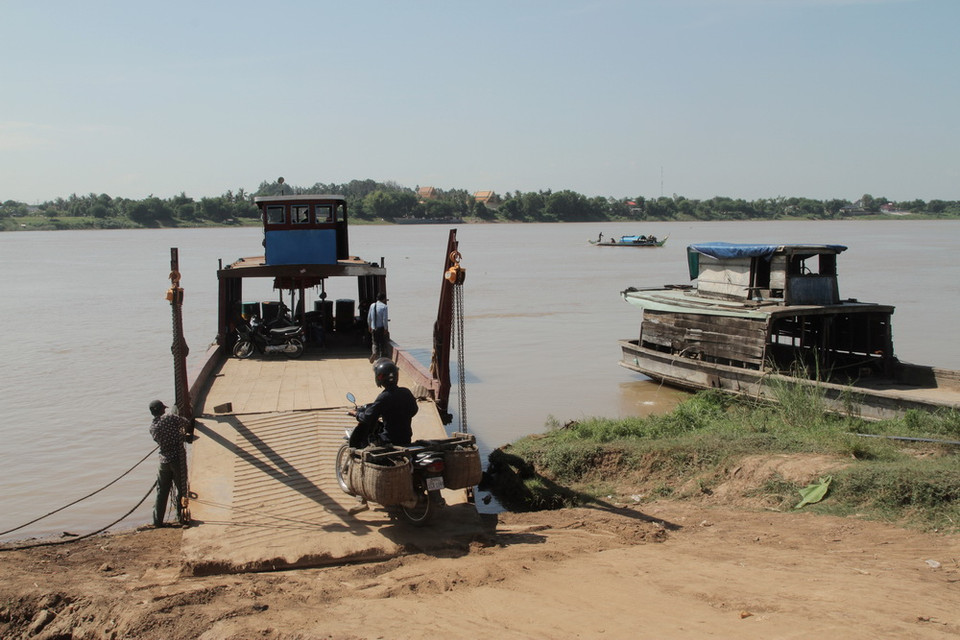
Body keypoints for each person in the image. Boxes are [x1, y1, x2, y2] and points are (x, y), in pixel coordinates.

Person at [354, 358, 418, 447]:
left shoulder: (384, 397)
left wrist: (357, 414)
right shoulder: (406, 392)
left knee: (368, 440)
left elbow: (368, 417)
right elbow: (414, 410)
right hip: (406, 438)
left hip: (388, 440)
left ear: (379, 378)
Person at [148, 400, 190, 527]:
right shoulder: (171, 417)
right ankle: (181, 517)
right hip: (177, 459)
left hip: (164, 461)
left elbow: (158, 440)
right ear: (162, 409)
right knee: (181, 489)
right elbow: (186, 422)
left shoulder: (152, 427)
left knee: (162, 491)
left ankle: (157, 521)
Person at [367, 292, 389, 362]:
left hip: (374, 328)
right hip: (381, 328)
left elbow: (369, 317)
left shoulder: (372, 305)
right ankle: (381, 358)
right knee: (382, 343)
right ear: (384, 299)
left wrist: (369, 326)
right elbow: (384, 319)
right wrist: (386, 328)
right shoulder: (384, 307)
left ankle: (374, 352)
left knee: (374, 342)